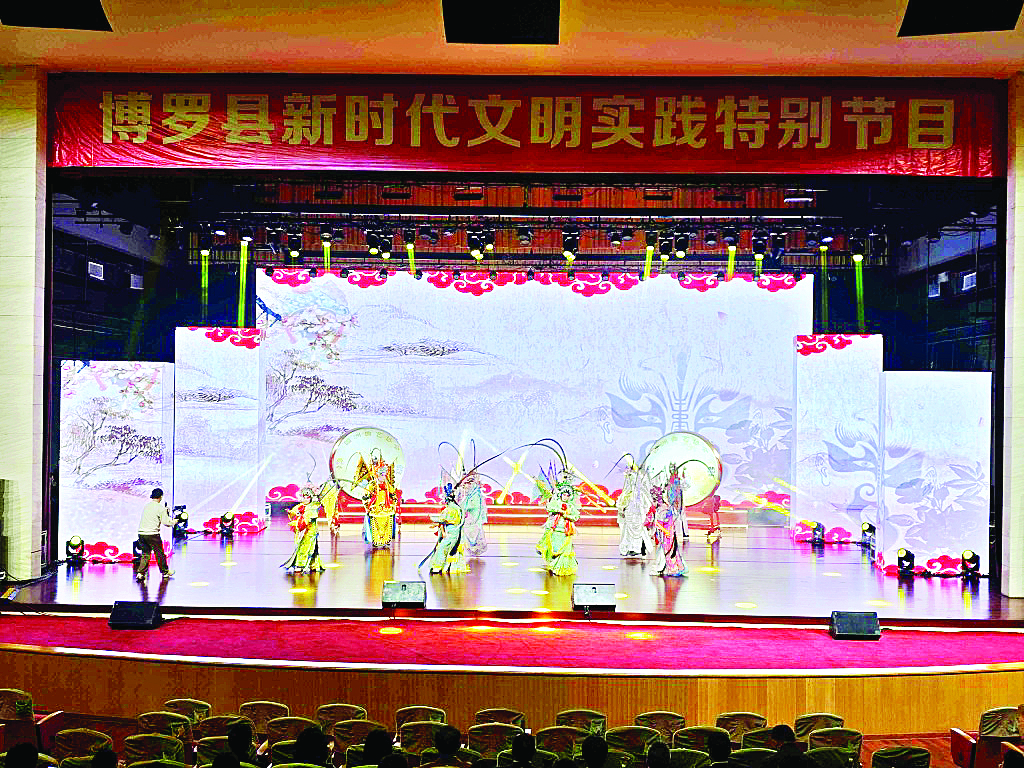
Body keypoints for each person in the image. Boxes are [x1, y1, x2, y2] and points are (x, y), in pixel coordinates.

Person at [537, 472, 583, 576]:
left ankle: (559, 567)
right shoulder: (556, 503)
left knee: (563, 551)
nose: (565, 497)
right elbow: (550, 508)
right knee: (553, 548)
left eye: (567, 495)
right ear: (561, 495)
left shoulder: (571, 506)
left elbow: (576, 516)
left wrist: (567, 515)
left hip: (565, 531)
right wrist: (560, 511)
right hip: (554, 529)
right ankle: (552, 564)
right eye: (564, 495)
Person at [424, 485, 469, 575]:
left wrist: (433, 519)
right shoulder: (458, 509)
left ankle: (438, 567)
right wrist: (437, 524)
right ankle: (445, 567)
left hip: (451, 532)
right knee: (448, 549)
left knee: (442, 548)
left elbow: (444, 520)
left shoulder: (450, 509)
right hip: (454, 531)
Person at [282, 485, 325, 573]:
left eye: (307, 497)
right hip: (301, 531)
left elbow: (306, 520)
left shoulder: (313, 507)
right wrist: (291, 513)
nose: (305, 499)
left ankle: (300, 565)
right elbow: (294, 512)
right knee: (304, 547)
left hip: (310, 531)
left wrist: (296, 523)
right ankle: (312, 564)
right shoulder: (300, 506)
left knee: (306, 548)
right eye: (304, 497)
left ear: (311, 498)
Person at [135, 487, 174, 583]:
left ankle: (140, 573)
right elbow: (166, 523)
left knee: (145, 554)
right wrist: (174, 521)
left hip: (141, 534)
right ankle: (165, 572)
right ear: (161, 497)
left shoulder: (147, 506)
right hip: (152, 534)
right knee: (159, 553)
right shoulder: (160, 508)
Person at [649, 483, 688, 577]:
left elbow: (659, 523)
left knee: (670, 550)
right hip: (668, 533)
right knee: (669, 550)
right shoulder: (664, 508)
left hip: (668, 533)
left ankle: (673, 568)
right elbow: (659, 523)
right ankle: (672, 567)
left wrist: (667, 530)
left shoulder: (665, 509)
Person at [616, 458, 651, 557]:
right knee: (627, 529)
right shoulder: (628, 490)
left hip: (638, 508)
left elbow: (646, 498)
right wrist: (622, 508)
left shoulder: (641, 484)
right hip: (630, 508)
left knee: (639, 529)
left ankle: (637, 548)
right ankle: (628, 548)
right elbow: (625, 492)